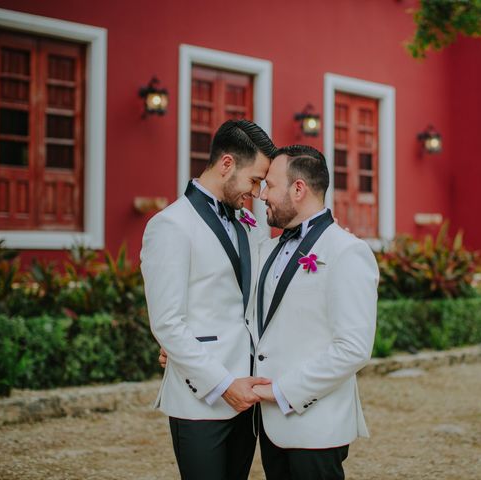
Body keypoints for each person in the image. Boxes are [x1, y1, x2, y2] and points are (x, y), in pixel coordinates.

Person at [140, 119, 277, 480]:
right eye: (255, 180)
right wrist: (222, 385)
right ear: (227, 164)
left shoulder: (249, 223)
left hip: (246, 394)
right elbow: (167, 322)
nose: (257, 192)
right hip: (200, 398)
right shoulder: (170, 225)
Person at [251, 145, 379, 480]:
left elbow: (353, 348)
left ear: (298, 189)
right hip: (269, 425)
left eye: (271, 185)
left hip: (315, 425)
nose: (262, 195)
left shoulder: (347, 252)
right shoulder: (269, 248)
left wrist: (282, 392)